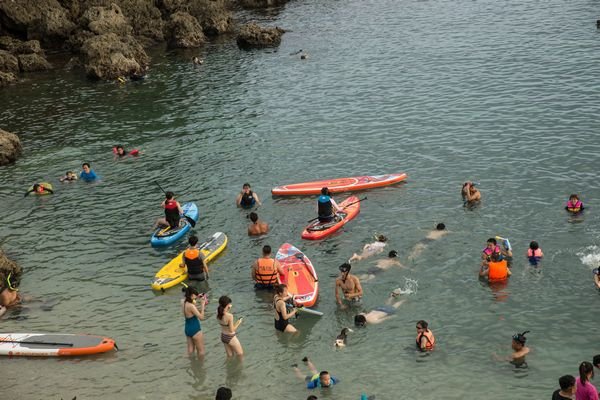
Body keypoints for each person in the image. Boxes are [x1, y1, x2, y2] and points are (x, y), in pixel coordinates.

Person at [182, 286, 206, 357]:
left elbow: (191, 310)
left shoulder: (183, 302)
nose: (195, 298)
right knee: (201, 351)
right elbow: (201, 317)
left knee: (190, 350)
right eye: (195, 297)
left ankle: (192, 365)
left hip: (187, 328)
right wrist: (202, 305)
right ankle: (200, 367)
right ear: (192, 295)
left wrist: (197, 298)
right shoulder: (191, 306)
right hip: (195, 329)